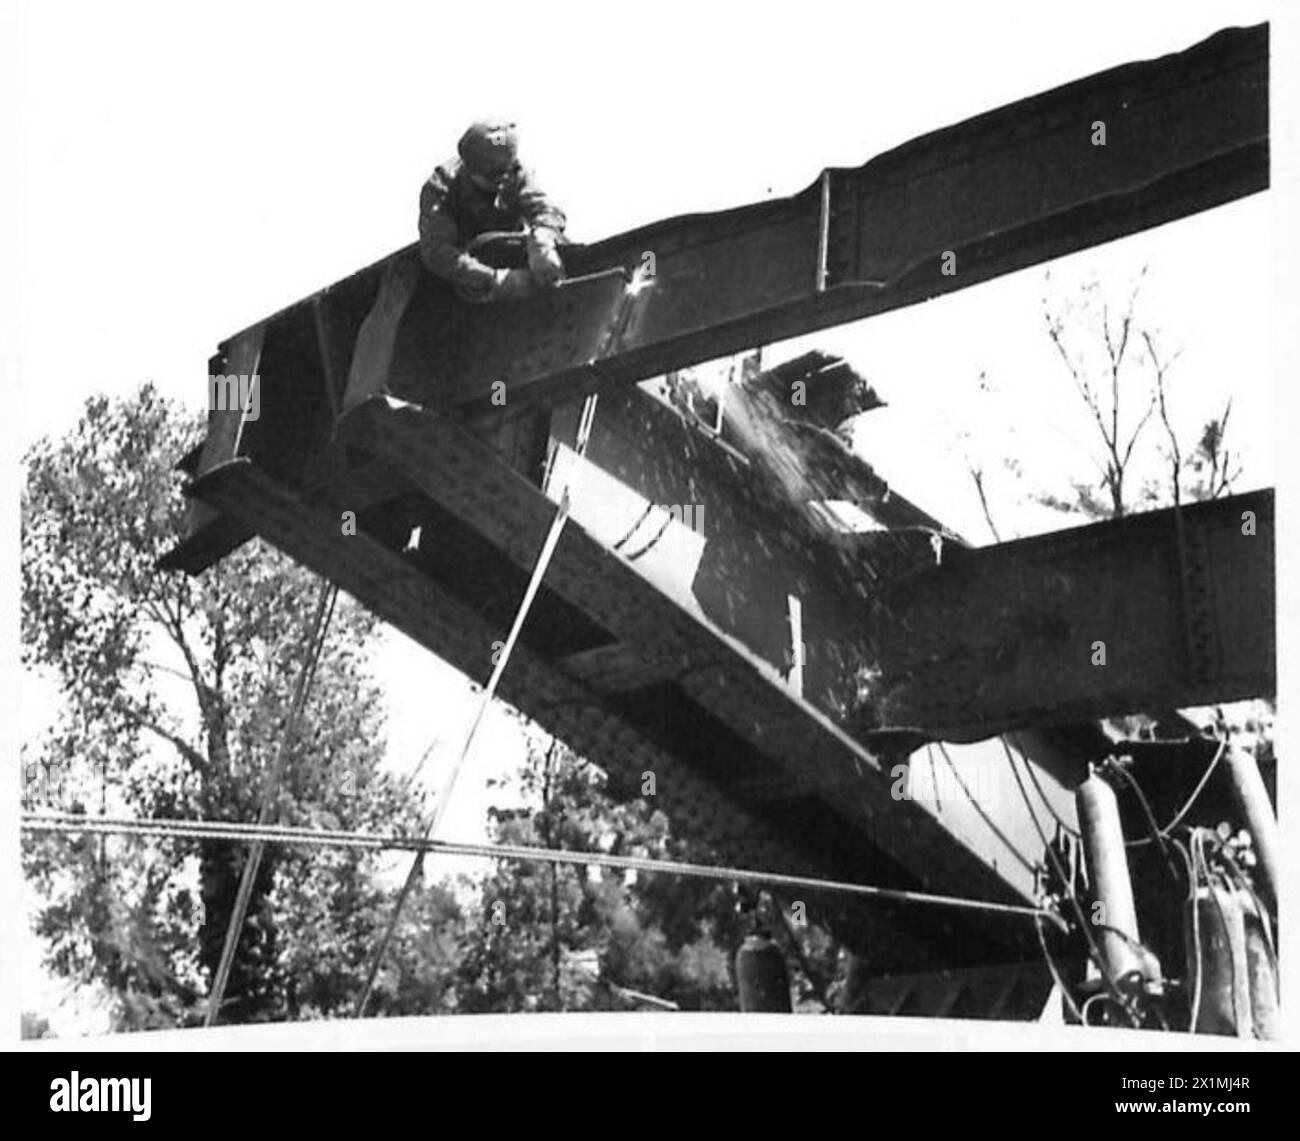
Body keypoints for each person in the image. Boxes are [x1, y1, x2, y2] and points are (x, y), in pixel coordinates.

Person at [417, 119, 568, 303]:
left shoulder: (516, 172)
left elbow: (544, 209)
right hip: (463, 267)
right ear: (471, 170)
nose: (503, 179)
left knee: (562, 250)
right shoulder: (440, 188)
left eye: (507, 169)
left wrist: (542, 242)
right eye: (493, 175)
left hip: (508, 248)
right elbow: (437, 250)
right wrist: (492, 279)